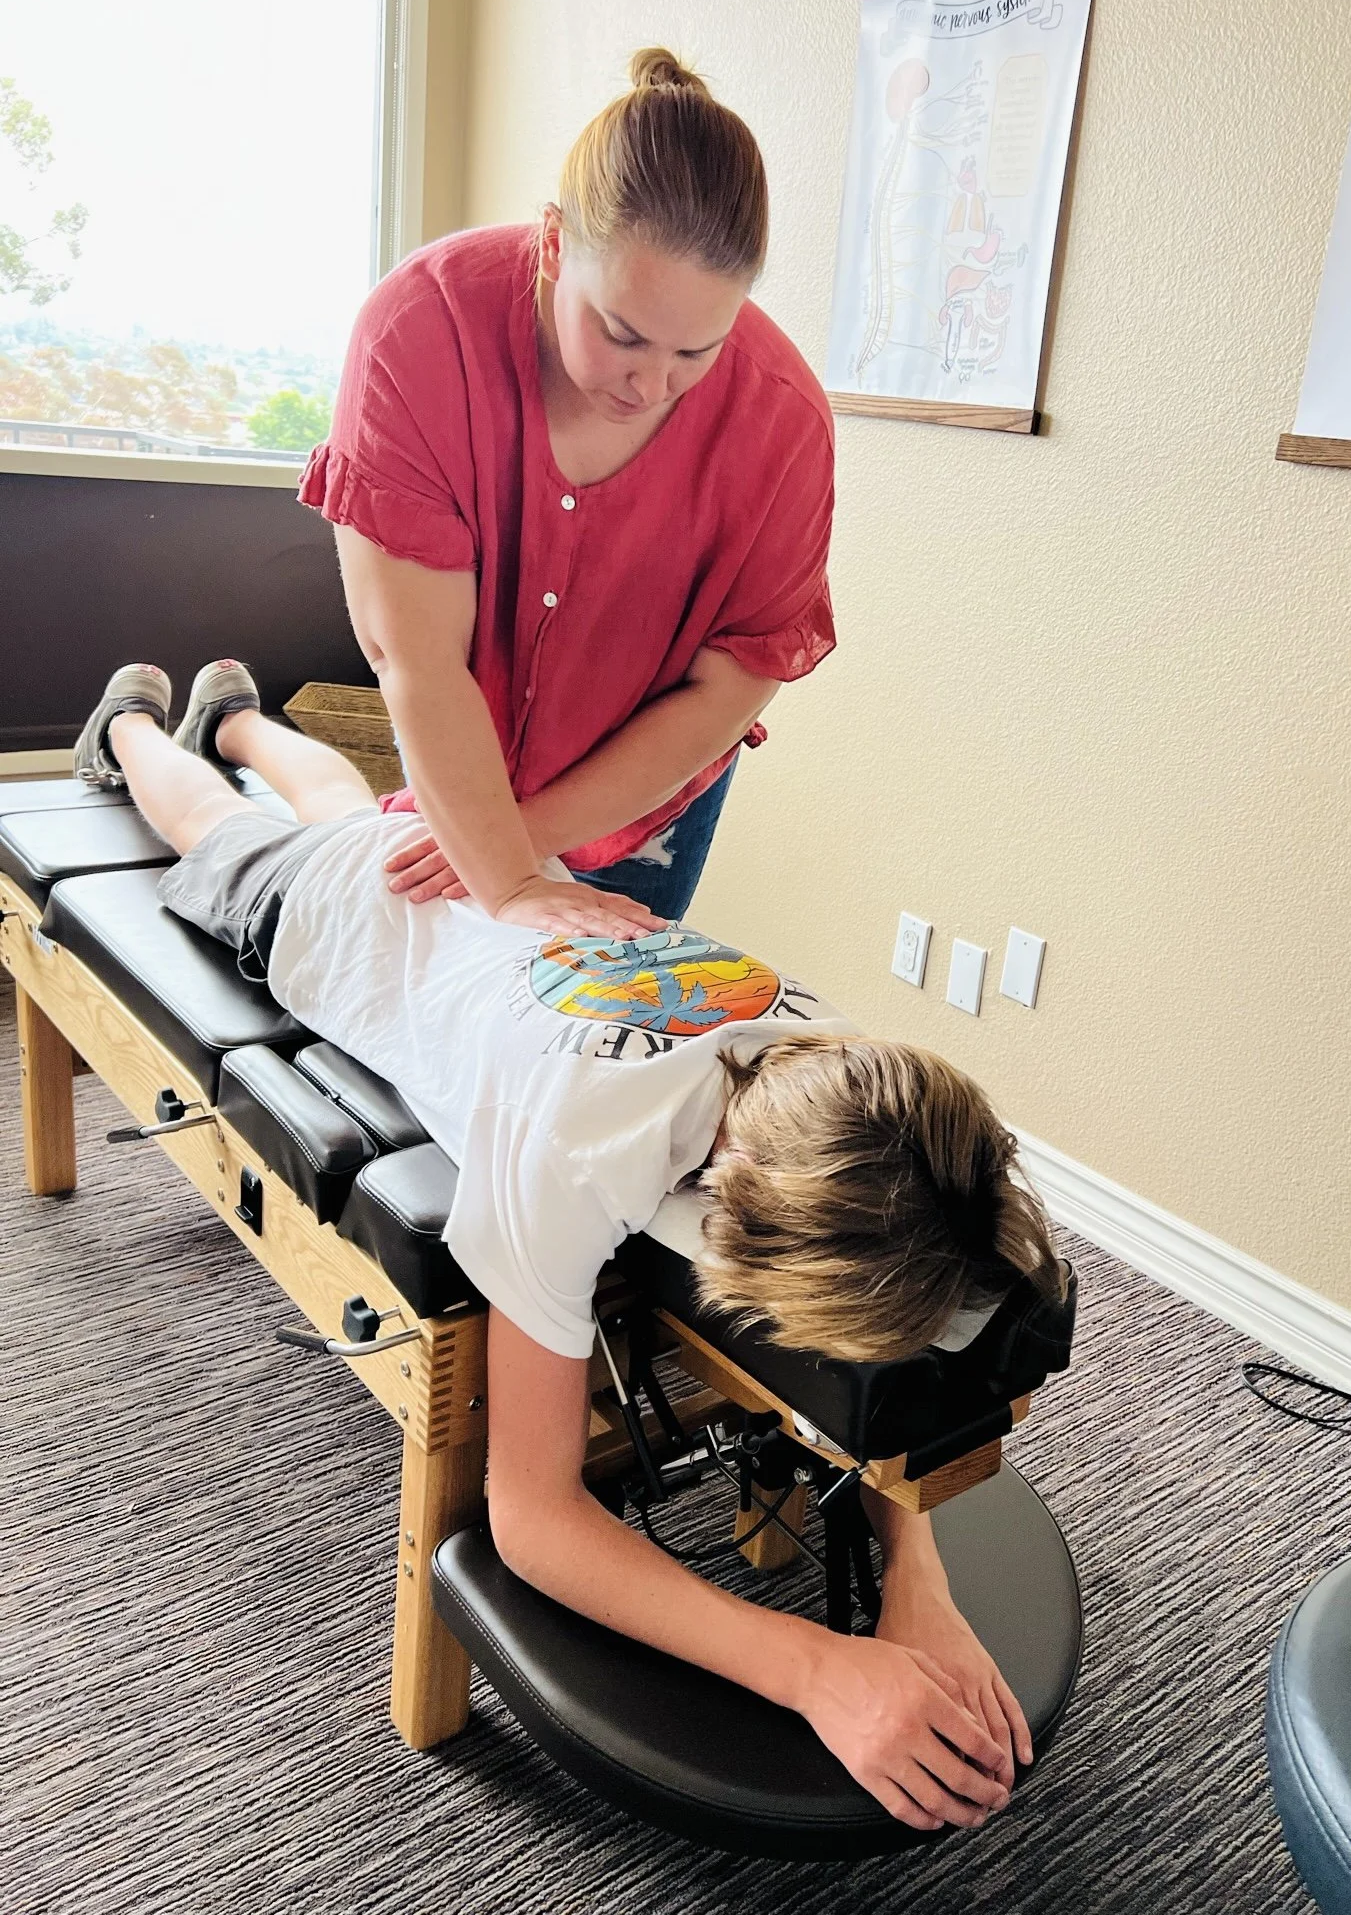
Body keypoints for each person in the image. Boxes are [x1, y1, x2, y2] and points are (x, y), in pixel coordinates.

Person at [74, 660, 1067, 1835]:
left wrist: (921, 1576)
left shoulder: (850, 1071)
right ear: (733, 1205)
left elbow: (921, 1277)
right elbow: (532, 1519)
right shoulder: (570, 1147)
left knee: (349, 810)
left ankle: (238, 716)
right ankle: (133, 728)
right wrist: (814, 1669)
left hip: (470, 893)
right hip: (330, 919)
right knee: (218, 826)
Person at [300, 47, 836, 942]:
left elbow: (730, 688)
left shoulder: (784, 422)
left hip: (643, 804)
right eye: (622, 335)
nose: (652, 385)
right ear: (553, 243)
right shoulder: (421, 330)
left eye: (695, 352)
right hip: (457, 745)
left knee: (595, 1009)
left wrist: (522, 845)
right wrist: (508, 877)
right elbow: (417, 658)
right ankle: (224, 724)